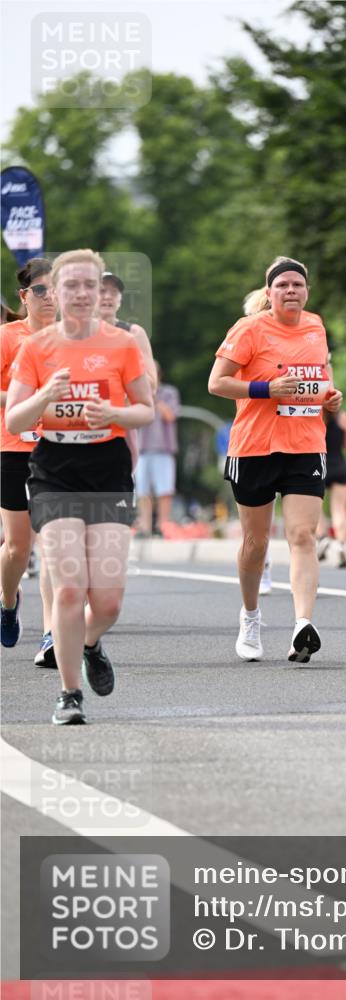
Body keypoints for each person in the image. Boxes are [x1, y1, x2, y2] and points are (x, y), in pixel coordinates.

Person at [6, 249, 154, 725]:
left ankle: (90, 642)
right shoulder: (37, 347)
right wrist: (46, 395)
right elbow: (14, 417)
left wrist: (114, 415)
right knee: (69, 589)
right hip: (54, 470)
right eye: (70, 285)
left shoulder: (123, 344)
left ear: (99, 290)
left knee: (107, 599)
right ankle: (69, 693)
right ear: (54, 292)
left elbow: (145, 409)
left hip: (108, 469)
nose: (82, 293)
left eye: (90, 285)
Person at [208, 255, 342, 663]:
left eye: (297, 285)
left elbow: (323, 374)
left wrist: (330, 396)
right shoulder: (249, 329)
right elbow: (217, 383)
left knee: (303, 536)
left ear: (307, 291)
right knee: (256, 543)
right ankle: (250, 616)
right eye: (282, 285)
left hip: (305, 444)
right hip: (255, 447)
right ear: (269, 294)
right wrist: (268, 389)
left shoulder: (316, 326)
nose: (290, 291)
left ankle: (303, 624)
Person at [1, 258, 56, 661]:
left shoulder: (75, 337)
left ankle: (53, 634)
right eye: (40, 289)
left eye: (57, 288)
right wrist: (30, 400)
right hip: (14, 448)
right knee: (18, 547)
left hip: (61, 450)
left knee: (55, 544)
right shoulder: (8, 337)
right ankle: (7, 599)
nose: (49, 296)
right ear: (24, 296)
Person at [98, 270, 158, 467]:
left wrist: (120, 391)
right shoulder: (72, 334)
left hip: (120, 424)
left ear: (120, 299)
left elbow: (151, 384)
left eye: (114, 292)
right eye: (102, 290)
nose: (107, 296)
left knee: (118, 488)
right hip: (81, 424)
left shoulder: (133, 333)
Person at [135, 363, 180, 537]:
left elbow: (170, 415)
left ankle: (163, 526)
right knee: (143, 491)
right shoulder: (137, 394)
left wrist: (154, 397)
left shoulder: (169, 393)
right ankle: (145, 527)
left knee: (165, 490)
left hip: (164, 450)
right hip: (143, 449)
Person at [317, 408, 346, 568]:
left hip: (319, 463)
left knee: (317, 507)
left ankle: (322, 538)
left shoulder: (317, 414)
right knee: (339, 509)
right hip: (339, 465)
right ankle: (341, 545)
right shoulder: (343, 417)